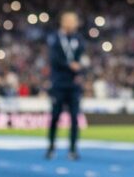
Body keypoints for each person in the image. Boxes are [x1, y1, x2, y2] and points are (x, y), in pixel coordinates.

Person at [45, 11, 86, 161]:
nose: (71, 24)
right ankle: (51, 147)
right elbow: (54, 59)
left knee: (75, 118)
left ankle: (73, 149)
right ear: (63, 22)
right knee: (55, 116)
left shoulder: (79, 39)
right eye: (68, 21)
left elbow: (82, 59)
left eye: (73, 21)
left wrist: (81, 71)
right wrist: (70, 65)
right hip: (59, 83)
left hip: (74, 85)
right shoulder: (55, 38)